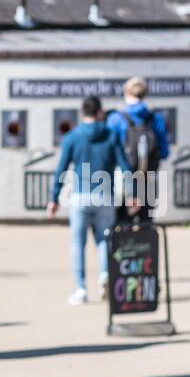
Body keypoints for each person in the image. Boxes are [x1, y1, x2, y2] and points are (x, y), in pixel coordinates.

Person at [47, 95, 134, 304]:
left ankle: (80, 289)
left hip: (80, 196)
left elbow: (61, 169)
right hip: (105, 195)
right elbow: (125, 166)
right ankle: (105, 275)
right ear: (100, 113)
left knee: (78, 243)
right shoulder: (112, 135)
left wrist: (54, 198)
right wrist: (132, 194)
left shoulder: (72, 137)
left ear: (83, 113)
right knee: (105, 239)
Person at [105, 77, 170, 222]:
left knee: (120, 224)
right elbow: (164, 152)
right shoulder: (156, 119)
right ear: (145, 94)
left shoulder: (115, 119)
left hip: (123, 180)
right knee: (147, 224)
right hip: (148, 178)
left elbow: (109, 152)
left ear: (126, 93)